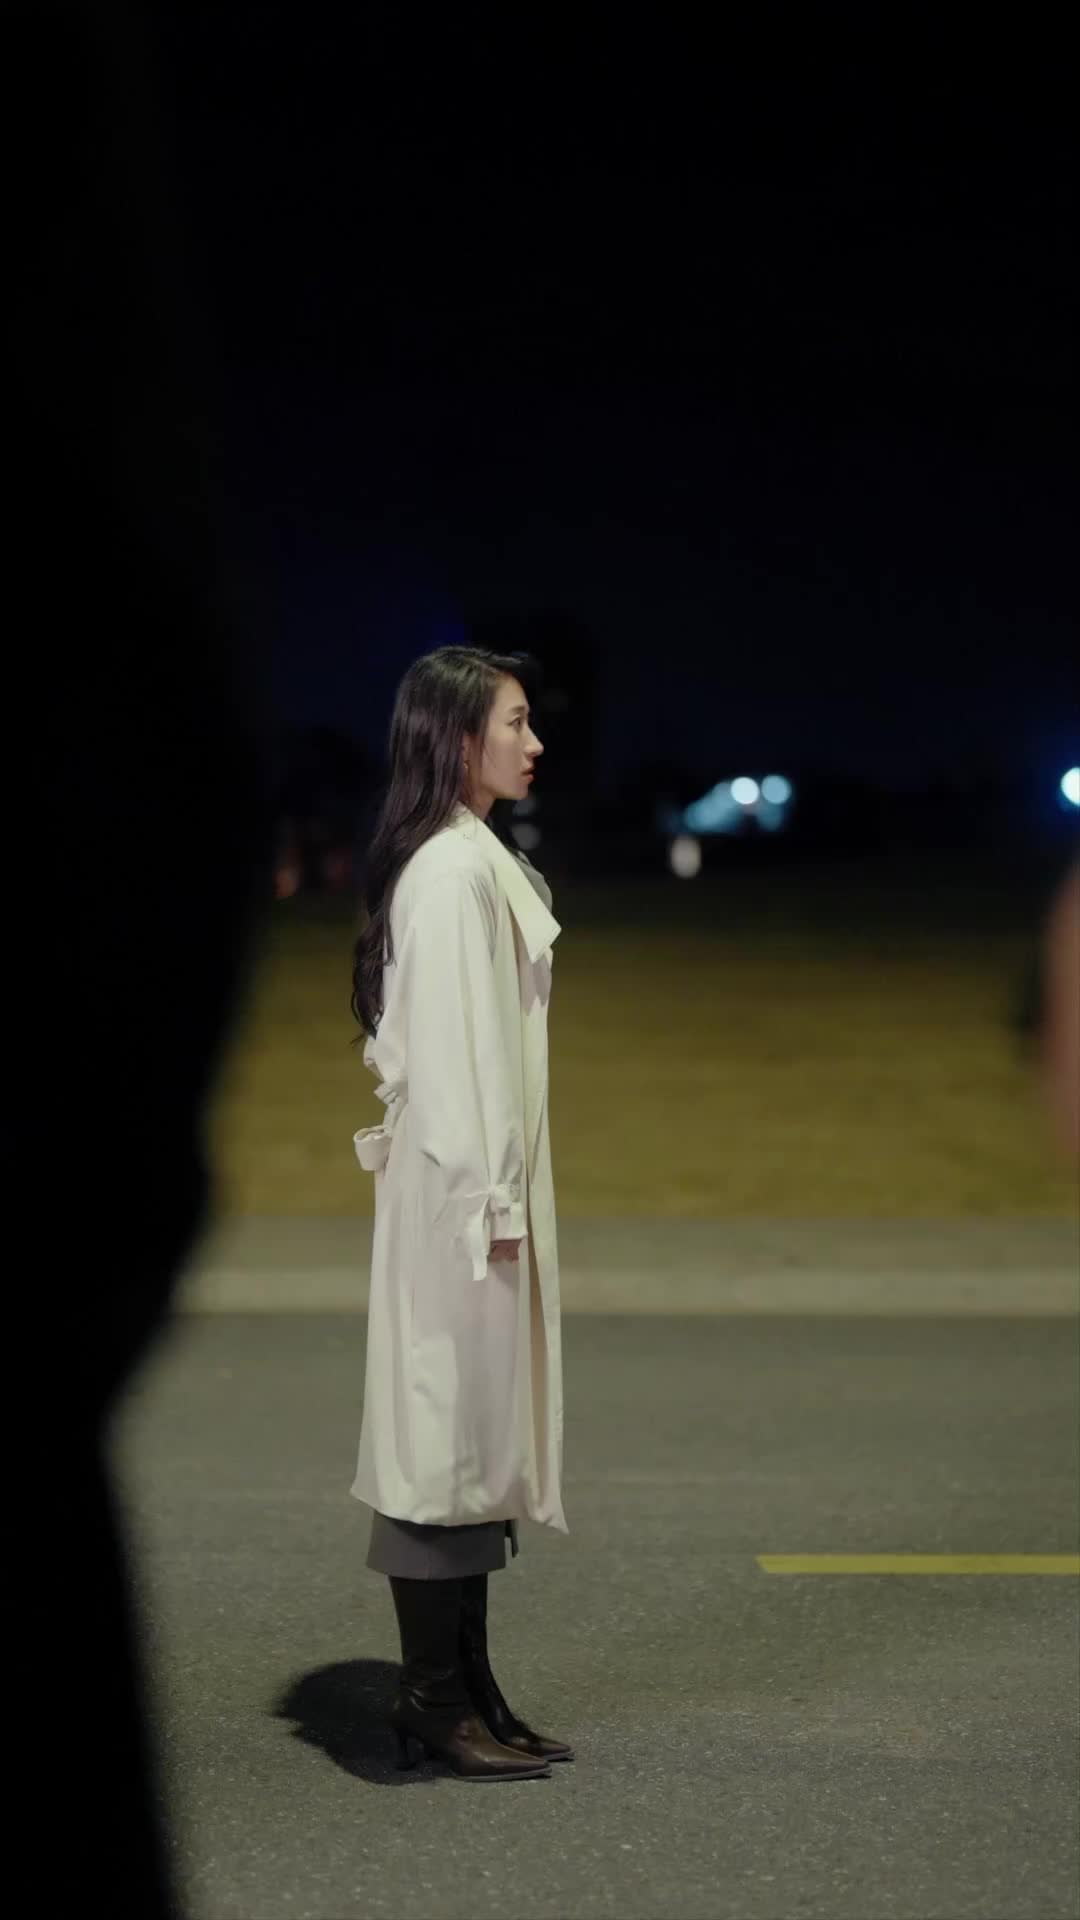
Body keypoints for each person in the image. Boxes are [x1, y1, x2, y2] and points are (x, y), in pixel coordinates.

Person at [350, 646, 574, 1782]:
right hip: (460, 1206)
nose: (534, 743)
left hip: (474, 1200)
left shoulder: (471, 858)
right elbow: (448, 1066)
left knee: (471, 1442)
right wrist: (487, 1204)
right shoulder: (448, 874)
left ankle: (468, 1687)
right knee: (440, 1444)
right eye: (515, 722)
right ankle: (432, 1698)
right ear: (459, 735)